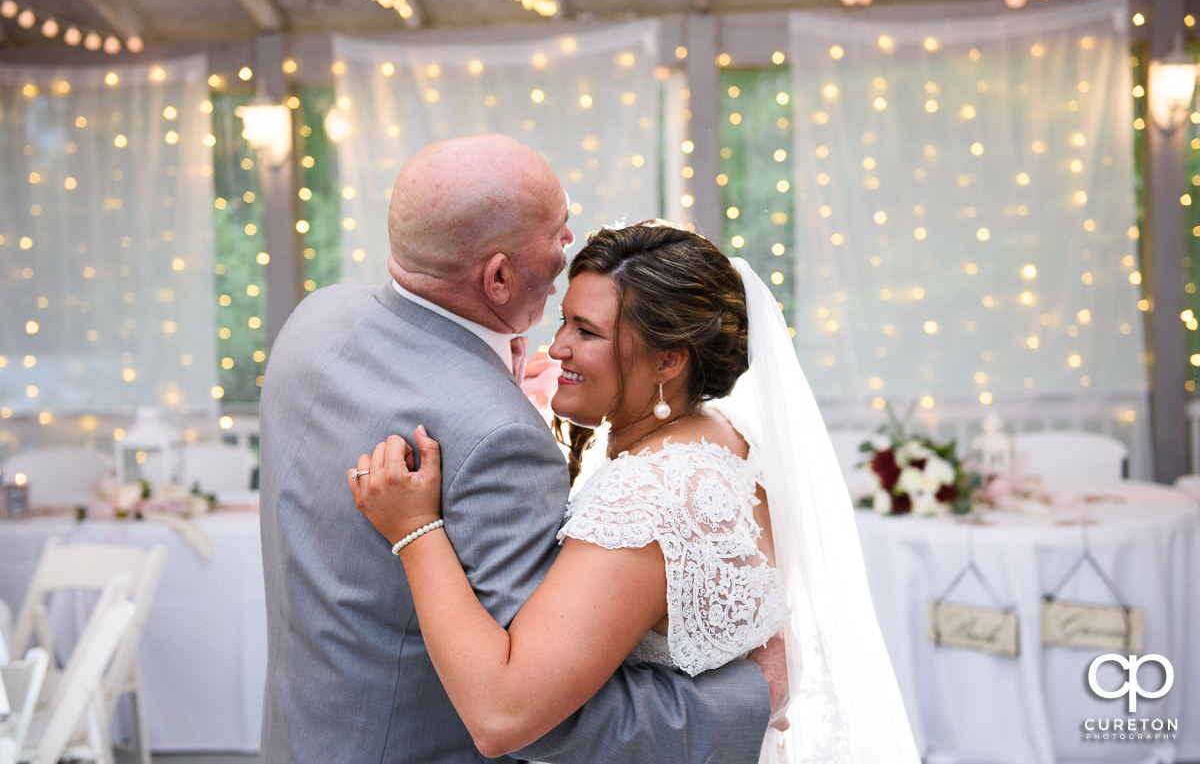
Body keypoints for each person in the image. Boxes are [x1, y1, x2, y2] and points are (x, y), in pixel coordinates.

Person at [259, 137, 781, 764]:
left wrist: (421, 522)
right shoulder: (501, 434)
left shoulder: (318, 317)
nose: (568, 244)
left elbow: (520, 699)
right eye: (558, 233)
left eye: (584, 330)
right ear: (499, 277)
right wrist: (752, 698)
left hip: (304, 733)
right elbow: (528, 717)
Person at [349, 220, 923, 763]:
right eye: (565, 321)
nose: (557, 349)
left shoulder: (653, 497)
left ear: (669, 360)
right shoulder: (720, 438)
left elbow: (501, 714)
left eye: (587, 332)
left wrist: (414, 530)